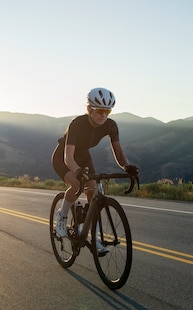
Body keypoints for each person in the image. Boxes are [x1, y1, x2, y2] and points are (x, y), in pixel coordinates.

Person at [51, 87, 139, 240]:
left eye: (108, 111)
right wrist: (77, 171)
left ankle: (94, 236)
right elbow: (68, 157)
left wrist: (126, 166)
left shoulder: (110, 125)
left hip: (84, 157)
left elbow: (118, 152)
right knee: (77, 184)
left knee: (93, 193)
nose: (104, 115)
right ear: (89, 109)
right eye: (99, 111)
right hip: (63, 157)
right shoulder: (77, 124)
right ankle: (62, 216)